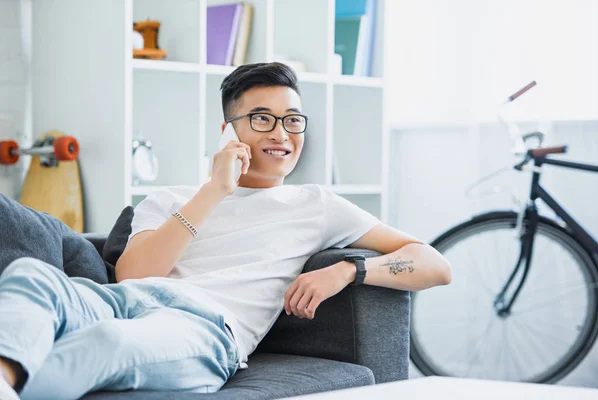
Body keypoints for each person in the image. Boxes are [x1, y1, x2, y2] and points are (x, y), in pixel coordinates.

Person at [0, 62, 451, 400]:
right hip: (123, 302)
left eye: (292, 120)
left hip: (204, 331)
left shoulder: (316, 205)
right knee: (30, 276)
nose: (281, 133)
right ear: (227, 132)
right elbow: (134, 276)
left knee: (105, 343)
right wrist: (215, 190)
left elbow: (436, 264)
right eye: (261, 118)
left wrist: (349, 271)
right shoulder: (171, 199)